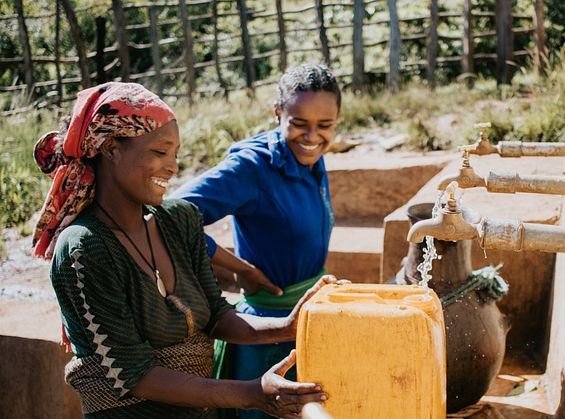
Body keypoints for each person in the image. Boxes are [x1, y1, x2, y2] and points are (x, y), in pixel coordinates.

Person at [32, 82, 336, 419]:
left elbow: (219, 316)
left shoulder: (178, 220)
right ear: (111, 149)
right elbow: (135, 375)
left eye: (175, 153)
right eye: (160, 152)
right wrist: (252, 393)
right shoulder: (84, 247)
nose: (173, 166)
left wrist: (289, 326)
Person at [172, 64, 340, 419]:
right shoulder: (253, 167)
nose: (312, 137)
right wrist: (239, 267)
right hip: (266, 334)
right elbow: (170, 215)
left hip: (307, 326)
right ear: (278, 113)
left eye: (324, 126)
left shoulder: (309, 159)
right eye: (298, 123)